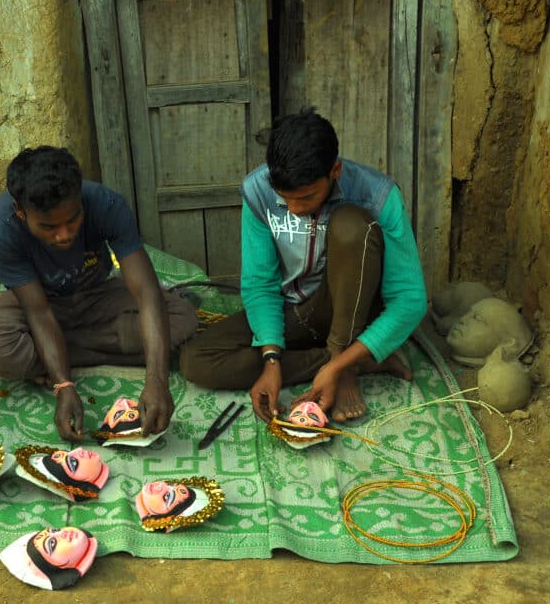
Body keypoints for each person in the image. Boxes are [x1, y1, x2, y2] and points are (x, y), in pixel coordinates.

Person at [180, 108, 427, 423]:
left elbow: (410, 299)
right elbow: (260, 283)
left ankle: (342, 361)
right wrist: (271, 360)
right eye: (286, 199)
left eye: (307, 197)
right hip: (296, 311)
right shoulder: (257, 190)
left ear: (334, 170)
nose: (295, 210)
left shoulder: (376, 194)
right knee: (195, 360)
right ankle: (359, 359)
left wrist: (339, 363)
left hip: (357, 312)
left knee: (352, 225)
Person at [0, 146, 199, 441]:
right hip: (39, 302)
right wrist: (64, 386)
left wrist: (157, 380)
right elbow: (38, 312)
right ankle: (76, 355)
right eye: (49, 227)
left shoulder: (106, 203)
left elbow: (146, 293)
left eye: (73, 220)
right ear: (20, 212)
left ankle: (55, 354)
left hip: (95, 293)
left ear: (81, 200)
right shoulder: (1, 226)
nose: (64, 234)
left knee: (182, 318)